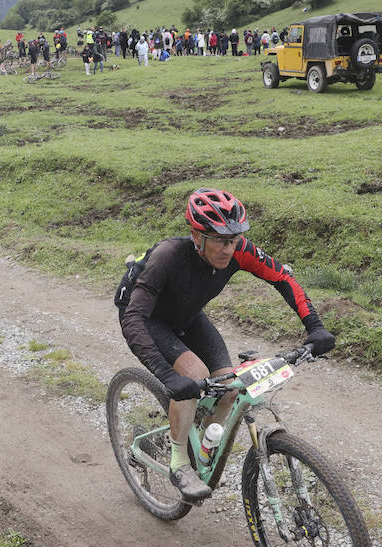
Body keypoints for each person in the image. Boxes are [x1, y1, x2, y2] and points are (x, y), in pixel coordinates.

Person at [117, 189, 335, 501]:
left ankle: (195, 440)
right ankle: (180, 463)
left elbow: (282, 279)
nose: (229, 248)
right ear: (197, 236)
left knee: (230, 386)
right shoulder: (168, 257)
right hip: (148, 318)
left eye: (234, 239)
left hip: (187, 315)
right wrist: (167, 377)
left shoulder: (238, 250)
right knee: (193, 374)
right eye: (220, 240)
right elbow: (134, 319)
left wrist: (315, 326)